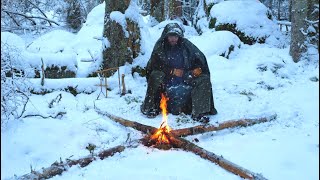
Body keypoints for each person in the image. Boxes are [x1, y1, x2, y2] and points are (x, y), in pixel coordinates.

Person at [140, 22, 217, 123]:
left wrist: (196, 71)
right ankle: (152, 107)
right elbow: (154, 66)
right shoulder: (160, 47)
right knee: (156, 75)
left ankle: (199, 112)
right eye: (170, 36)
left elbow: (200, 61)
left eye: (175, 36)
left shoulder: (187, 46)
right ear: (166, 36)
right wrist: (172, 71)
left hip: (185, 77)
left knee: (203, 79)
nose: (173, 39)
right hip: (167, 79)